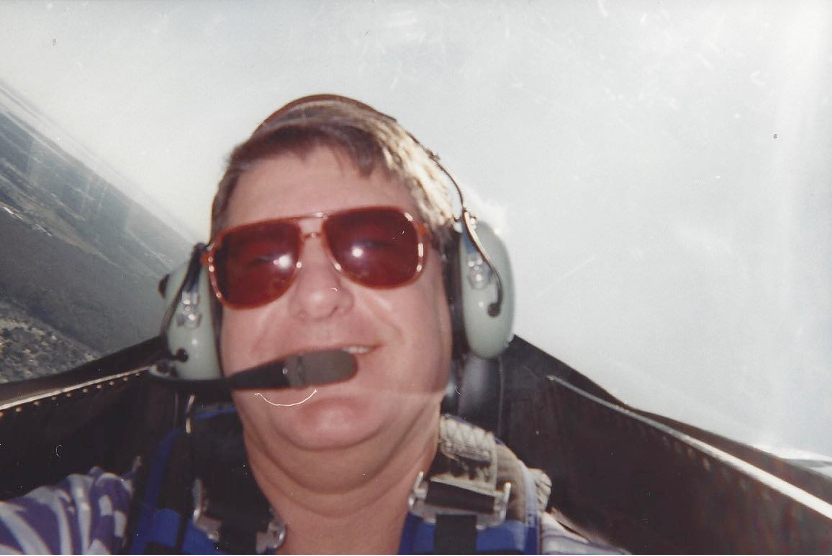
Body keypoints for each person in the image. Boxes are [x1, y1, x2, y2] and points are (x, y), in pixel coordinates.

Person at [0, 95, 623, 554]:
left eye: (375, 246)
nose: (317, 297)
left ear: (461, 295)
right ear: (207, 326)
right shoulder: (90, 531)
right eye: (258, 261)